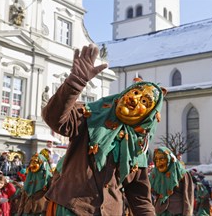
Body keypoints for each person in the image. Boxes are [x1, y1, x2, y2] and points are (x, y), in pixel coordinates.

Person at [42, 44, 166, 215]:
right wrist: (75, 82)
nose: (136, 100)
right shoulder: (91, 116)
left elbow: (140, 198)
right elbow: (55, 119)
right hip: (71, 208)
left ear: (147, 117)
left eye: (145, 102)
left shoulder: (138, 148)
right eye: (136, 92)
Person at [149, 147, 194, 216]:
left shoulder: (181, 173)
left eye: (161, 159)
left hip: (177, 212)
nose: (158, 163)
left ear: (168, 158)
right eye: (156, 160)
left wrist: (187, 213)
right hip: (160, 211)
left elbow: (188, 196)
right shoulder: (156, 173)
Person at [17, 150, 52, 215]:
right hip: (27, 210)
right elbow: (24, 195)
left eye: (35, 161)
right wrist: (19, 212)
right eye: (31, 161)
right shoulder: (30, 176)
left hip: (41, 211)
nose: (32, 164)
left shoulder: (48, 177)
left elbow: (52, 197)